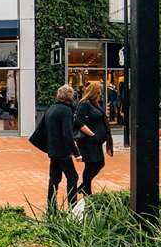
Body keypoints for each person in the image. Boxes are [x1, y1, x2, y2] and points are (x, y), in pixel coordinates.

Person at [30, 84, 80, 212]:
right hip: (63, 151)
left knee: (54, 179)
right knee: (72, 177)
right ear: (69, 96)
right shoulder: (66, 110)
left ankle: (51, 209)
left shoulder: (51, 108)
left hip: (53, 150)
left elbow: (43, 129)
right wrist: (77, 153)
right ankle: (73, 208)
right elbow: (67, 134)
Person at [73, 81, 113, 214]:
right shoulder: (84, 104)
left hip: (95, 142)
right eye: (99, 92)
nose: (101, 94)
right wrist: (93, 134)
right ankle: (86, 190)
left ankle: (85, 187)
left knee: (98, 164)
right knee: (92, 164)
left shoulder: (95, 104)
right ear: (94, 92)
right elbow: (78, 121)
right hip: (88, 141)